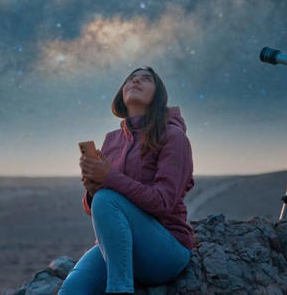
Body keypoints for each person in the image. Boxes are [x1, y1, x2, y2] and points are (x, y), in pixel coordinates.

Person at [58, 66, 195, 295]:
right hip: (121, 247)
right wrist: (92, 190)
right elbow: (101, 210)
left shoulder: (174, 137)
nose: (136, 82)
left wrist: (109, 178)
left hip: (165, 249)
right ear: (121, 93)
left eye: (146, 79)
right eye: (131, 79)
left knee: (106, 198)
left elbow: (163, 202)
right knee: (71, 291)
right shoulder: (113, 140)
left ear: (158, 94)